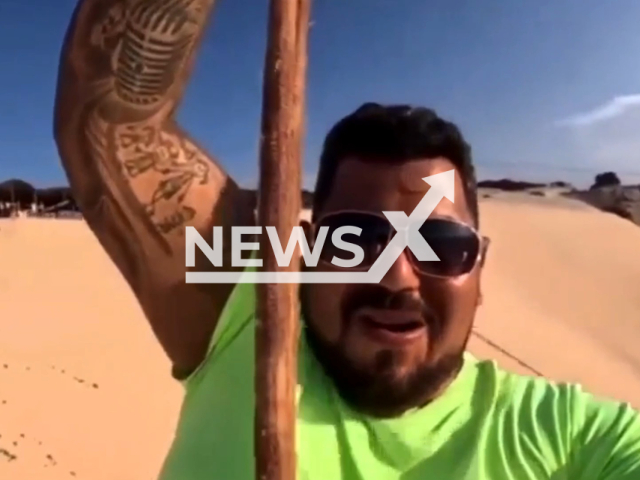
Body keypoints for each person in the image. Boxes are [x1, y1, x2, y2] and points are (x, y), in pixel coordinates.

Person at [54, 1, 640, 479]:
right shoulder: (247, 309)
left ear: (479, 271)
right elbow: (113, 116)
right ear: (303, 252)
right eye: (357, 240)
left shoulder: (568, 437)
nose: (396, 276)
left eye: (439, 245)